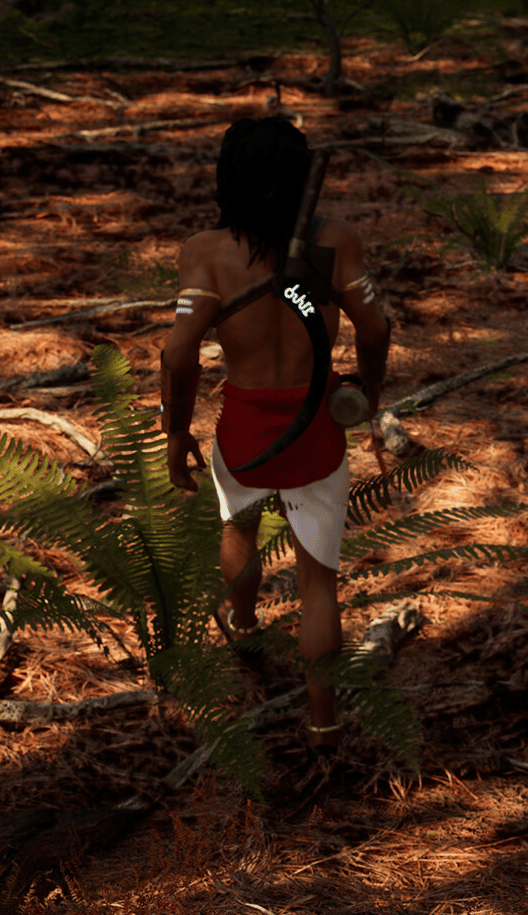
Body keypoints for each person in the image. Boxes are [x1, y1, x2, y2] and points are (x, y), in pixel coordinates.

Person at [159, 116, 391, 754]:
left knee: (238, 529)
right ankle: (324, 725)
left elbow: (177, 353)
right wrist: (370, 394)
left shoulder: (207, 252)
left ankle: (243, 626)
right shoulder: (334, 240)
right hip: (315, 425)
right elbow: (375, 328)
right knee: (318, 584)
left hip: (246, 427)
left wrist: (176, 429)